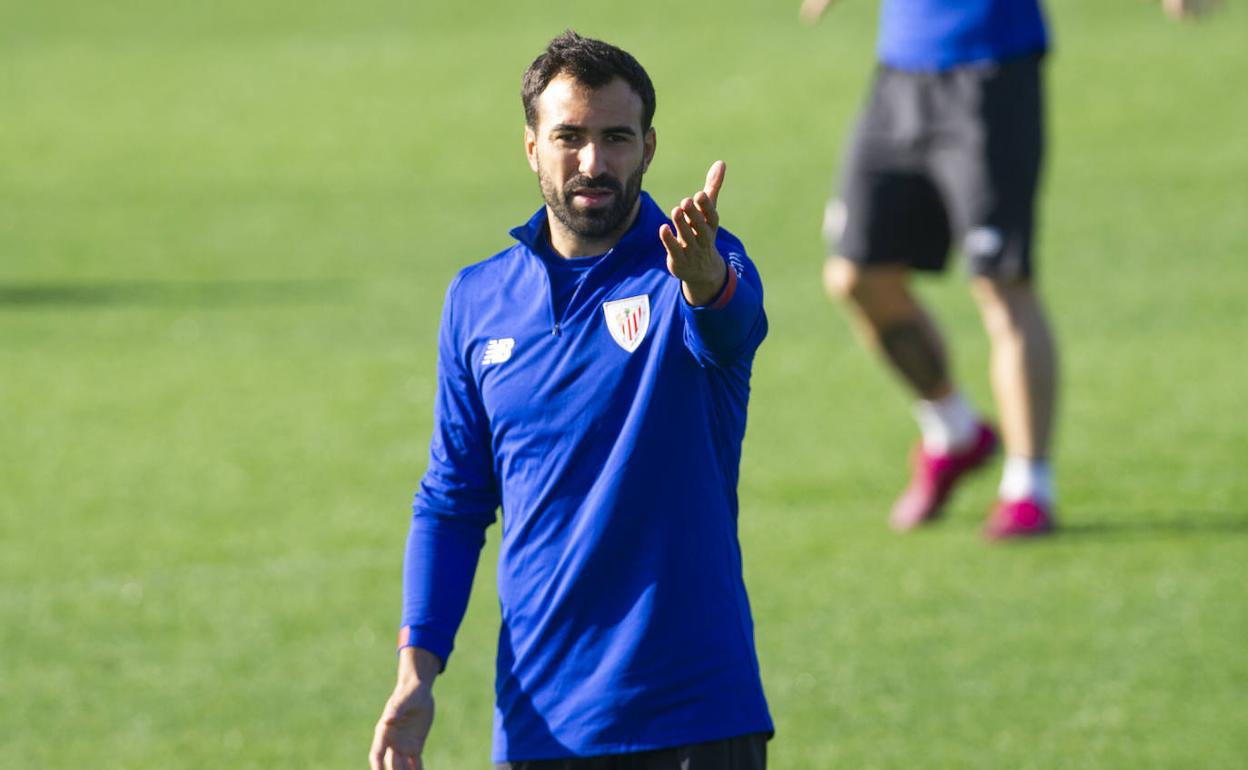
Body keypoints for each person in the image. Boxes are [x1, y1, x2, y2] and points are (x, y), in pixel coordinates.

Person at [369, 30, 772, 770]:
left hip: (694, 714)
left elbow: (731, 325)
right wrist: (415, 674)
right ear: (532, 148)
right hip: (540, 723)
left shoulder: (695, 264)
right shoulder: (478, 300)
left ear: (649, 148)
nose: (593, 162)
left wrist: (704, 278)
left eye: (616, 138)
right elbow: (452, 502)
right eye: (569, 137)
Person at [799, 0, 1214, 538]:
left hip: (992, 70)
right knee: (856, 276)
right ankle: (954, 431)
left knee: (1000, 282)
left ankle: (1029, 486)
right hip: (898, 72)